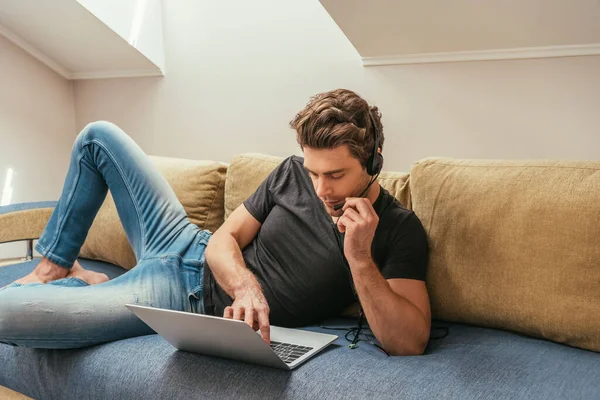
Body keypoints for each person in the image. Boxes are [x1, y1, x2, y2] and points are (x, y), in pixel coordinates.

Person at [0, 89, 430, 356]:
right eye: (313, 172)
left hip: (180, 295)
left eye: (335, 175)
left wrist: (358, 257)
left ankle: (88, 284)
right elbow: (223, 239)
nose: (320, 189)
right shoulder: (289, 172)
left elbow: (408, 342)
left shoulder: (398, 229)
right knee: (97, 136)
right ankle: (52, 267)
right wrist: (246, 288)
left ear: (373, 163)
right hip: (182, 241)